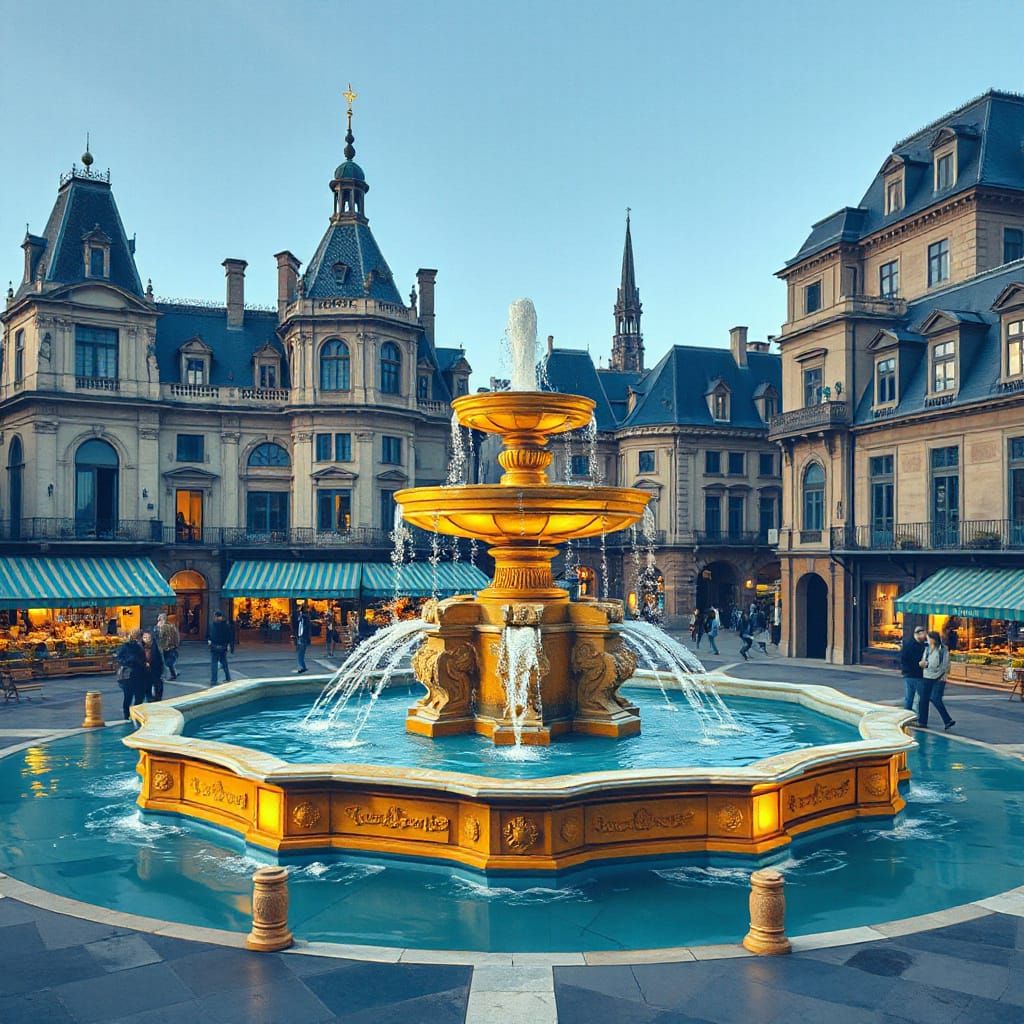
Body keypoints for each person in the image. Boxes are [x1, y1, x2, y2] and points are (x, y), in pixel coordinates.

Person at [920, 630, 955, 730]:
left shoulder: (943, 650)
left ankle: (947, 719)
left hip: (939, 678)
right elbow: (924, 661)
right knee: (923, 699)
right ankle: (922, 722)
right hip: (927, 676)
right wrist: (922, 664)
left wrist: (930, 667)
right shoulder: (927, 649)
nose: (927, 640)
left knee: (935, 698)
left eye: (928, 638)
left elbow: (944, 666)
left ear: (933, 639)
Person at [114, 629, 146, 721]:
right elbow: (120, 658)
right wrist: (131, 661)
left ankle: (130, 714)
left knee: (133, 696)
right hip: (131, 674)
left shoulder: (141, 646)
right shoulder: (129, 647)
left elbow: (119, 658)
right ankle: (129, 714)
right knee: (132, 696)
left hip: (136, 674)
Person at [899, 625, 928, 724]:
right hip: (914, 674)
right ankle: (911, 717)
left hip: (913, 674)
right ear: (918, 634)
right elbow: (905, 659)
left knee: (912, 697)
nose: (925, 636)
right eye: (923, 634)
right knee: (914, 697)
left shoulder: (918, 644)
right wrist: (918, 664)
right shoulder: (912, 645)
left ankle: (909, 717)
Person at [207, 610, 232, 686]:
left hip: (214, 646)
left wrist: (209, 642)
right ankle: (228, 678)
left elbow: (209, 635)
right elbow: (229, 636)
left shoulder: (212, 625)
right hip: (223, 646)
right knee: (224, 663)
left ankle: (214, 681)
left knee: (214, 664)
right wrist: (228, 645)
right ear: (221, 617)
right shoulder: (226, 625)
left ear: (215, 616)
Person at [140, 630, 165, 702]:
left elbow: (160, 658)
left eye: (148, 637)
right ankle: (149, 698)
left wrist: (161, 670)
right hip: (144, 669)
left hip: (155, 668)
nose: (146, 639)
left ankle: (158, 698)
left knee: (158, 684)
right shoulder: (140, 646)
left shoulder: (155, 646)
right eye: (145, 637)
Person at [155, 612, 180, 680]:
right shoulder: (171, 626)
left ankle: (172, 675)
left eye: (159, 619)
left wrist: (157, 628)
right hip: (169, 646)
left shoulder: (164, 627)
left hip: (167, 647)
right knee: (169, 661)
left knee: (167, 662)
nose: (158, 620)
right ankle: (173, 673)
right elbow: (177, 636)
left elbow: (160, 636)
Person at [294, 606, 311, 674]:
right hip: (303, 637)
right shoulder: (305, 618)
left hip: (302, 637)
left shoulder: (303, 618)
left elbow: (301, 628)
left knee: (300, 654)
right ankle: (302, 666)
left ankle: (302, 667)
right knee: (301, 653)